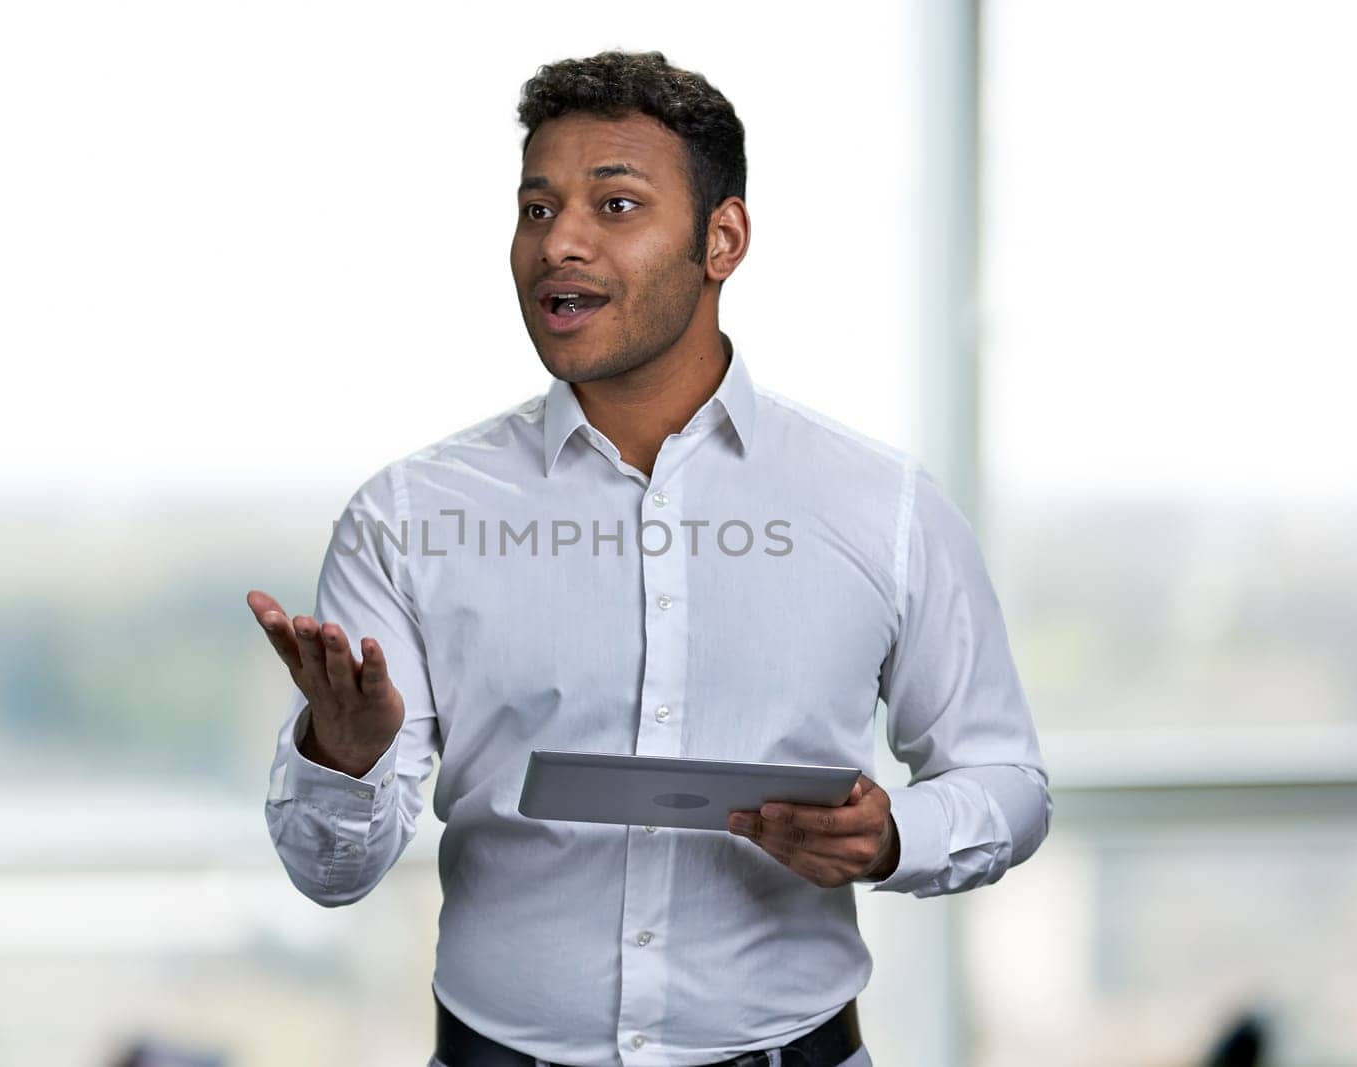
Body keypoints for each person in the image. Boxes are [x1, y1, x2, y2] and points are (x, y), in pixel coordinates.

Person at [251, 49, 1051, 1067]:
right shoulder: (406, 517)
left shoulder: (883, 505)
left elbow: (1005, 777)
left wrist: (897, 836)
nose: (559, 244)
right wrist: (345, 752)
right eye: (536, 208)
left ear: (722, 239)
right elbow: (331, 873)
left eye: (615, 206)